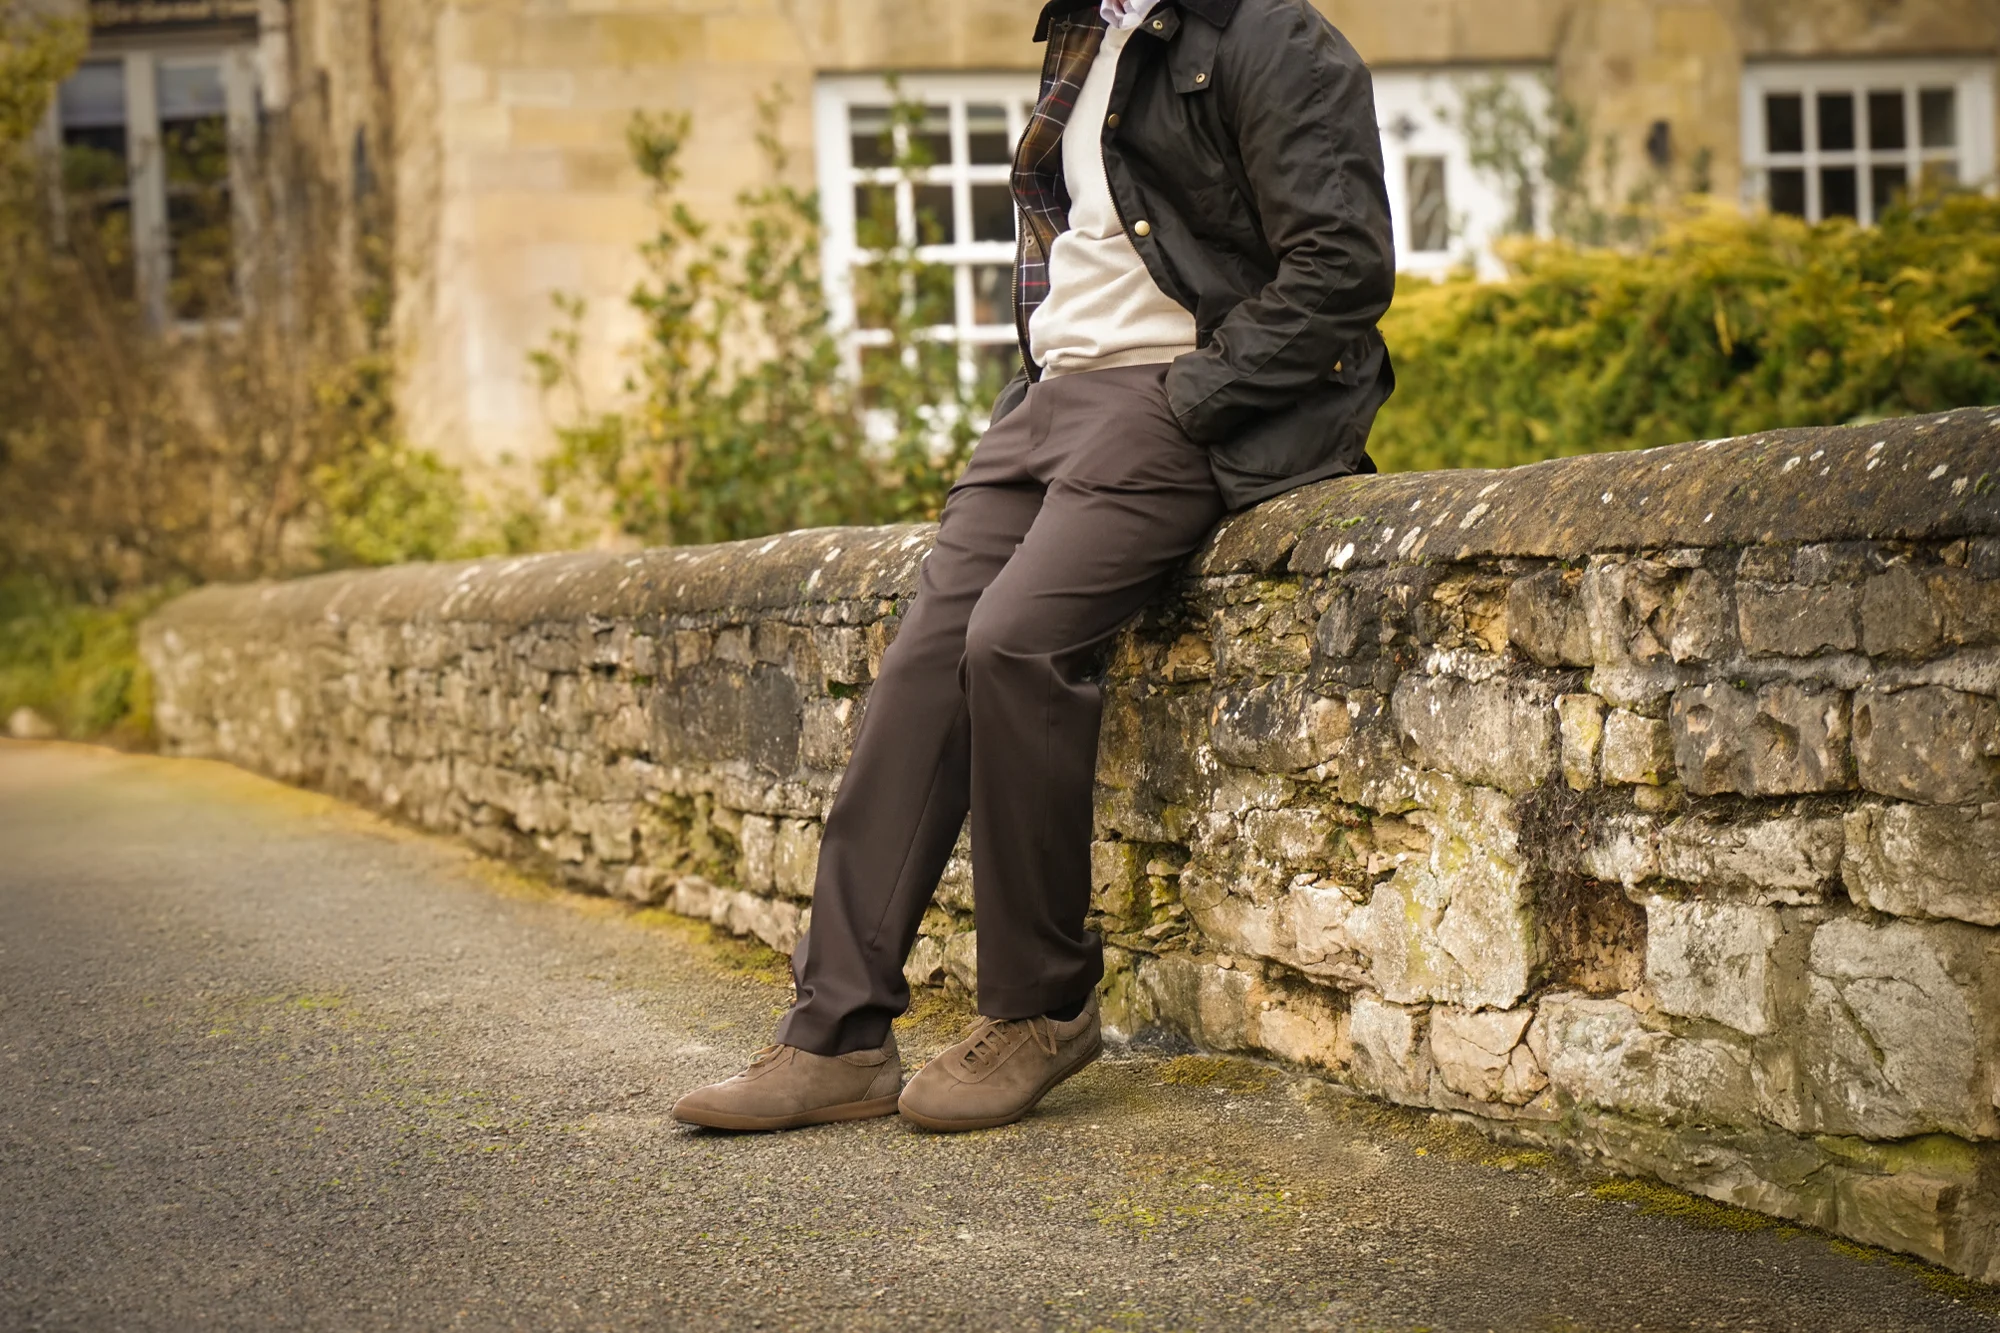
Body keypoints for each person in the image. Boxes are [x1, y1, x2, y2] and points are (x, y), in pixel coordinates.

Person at [672, 0, 1395, 1133]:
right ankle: (838, 1034)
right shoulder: (1083, 35)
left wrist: (1190, 395)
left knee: (1013, 642)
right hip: (1045, 400)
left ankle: (1039, 1007)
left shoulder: (1269, 39)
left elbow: (1341, 266)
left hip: (1182, 398)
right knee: (919, 666)